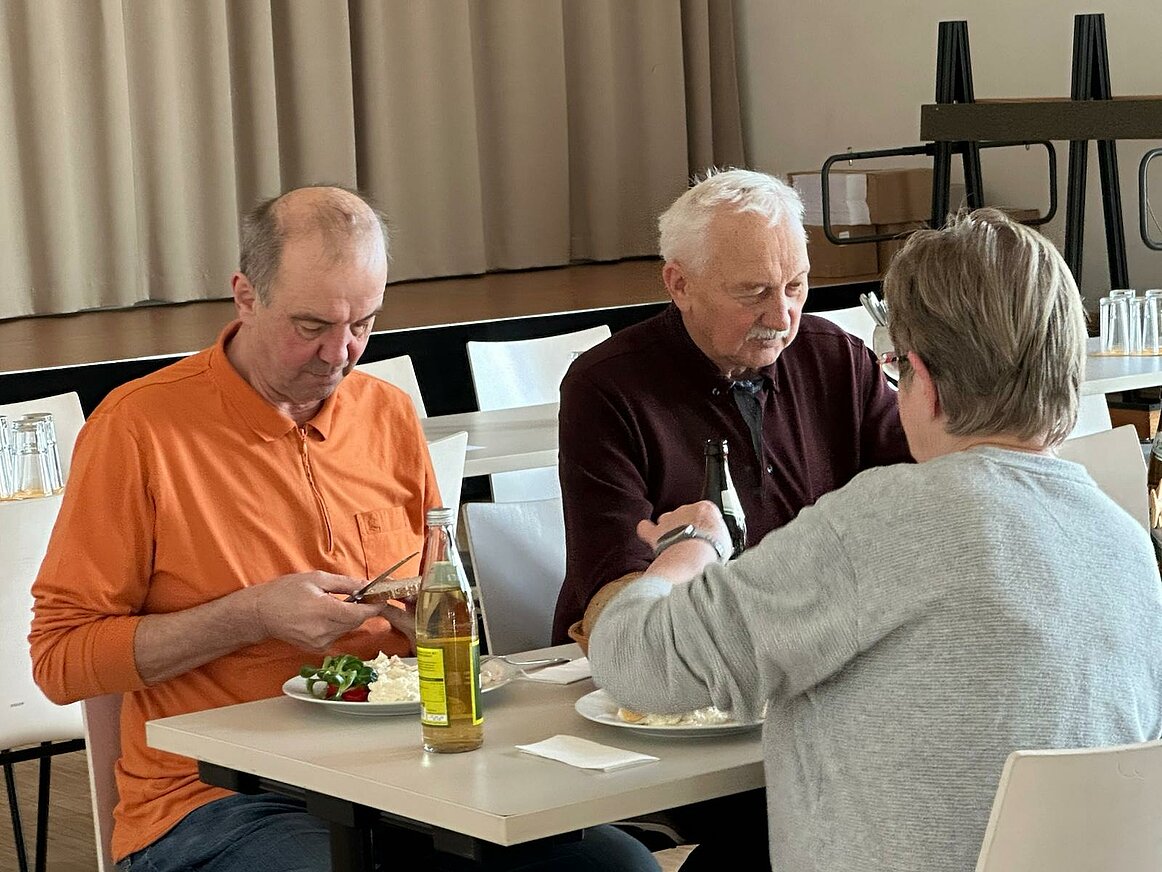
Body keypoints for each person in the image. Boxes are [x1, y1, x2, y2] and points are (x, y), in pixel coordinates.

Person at [29, 186, 658, 872]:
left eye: (364, 322)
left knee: (614, 865)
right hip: (216, 799)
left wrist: (428, 625)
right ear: (246, 297)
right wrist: (251, 616)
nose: (340, 353)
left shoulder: (387, 413)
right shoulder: (137, 429)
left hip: (402, 775)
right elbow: (61, 661)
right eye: (311, 326)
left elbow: (437, 622)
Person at [589, 208, 1162, 872]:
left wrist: (689, 549)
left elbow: (632, 663)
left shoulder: (880, 525)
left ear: (923, 381)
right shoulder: (1126, 545)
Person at [553, 168, 910, 649]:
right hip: (669, 653)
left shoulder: (834, 358)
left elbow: (920, 494)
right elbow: (612, 597)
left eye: (796, 286)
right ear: (680, 284)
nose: (782, 317)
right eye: (754, 291)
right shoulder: (606, 387)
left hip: (815, 644)